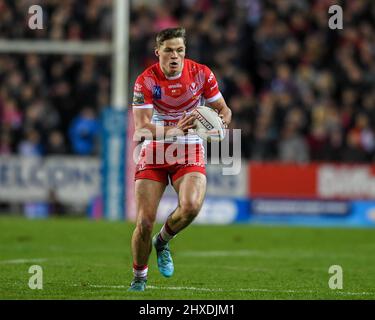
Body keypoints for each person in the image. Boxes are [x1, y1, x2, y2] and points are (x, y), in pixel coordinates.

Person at [128, 27, 232, 291]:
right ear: (158, 53)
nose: (175, 56)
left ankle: (162, 241)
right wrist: (172, 131)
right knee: (143, 222)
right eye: (169, 50)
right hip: (156, 148)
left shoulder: (201, 74)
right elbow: (141, 127)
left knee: (191, 206)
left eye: (180, 50)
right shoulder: (145, 81)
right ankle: (139, 278)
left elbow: (223, 108)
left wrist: (222, 121)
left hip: (189, 147)